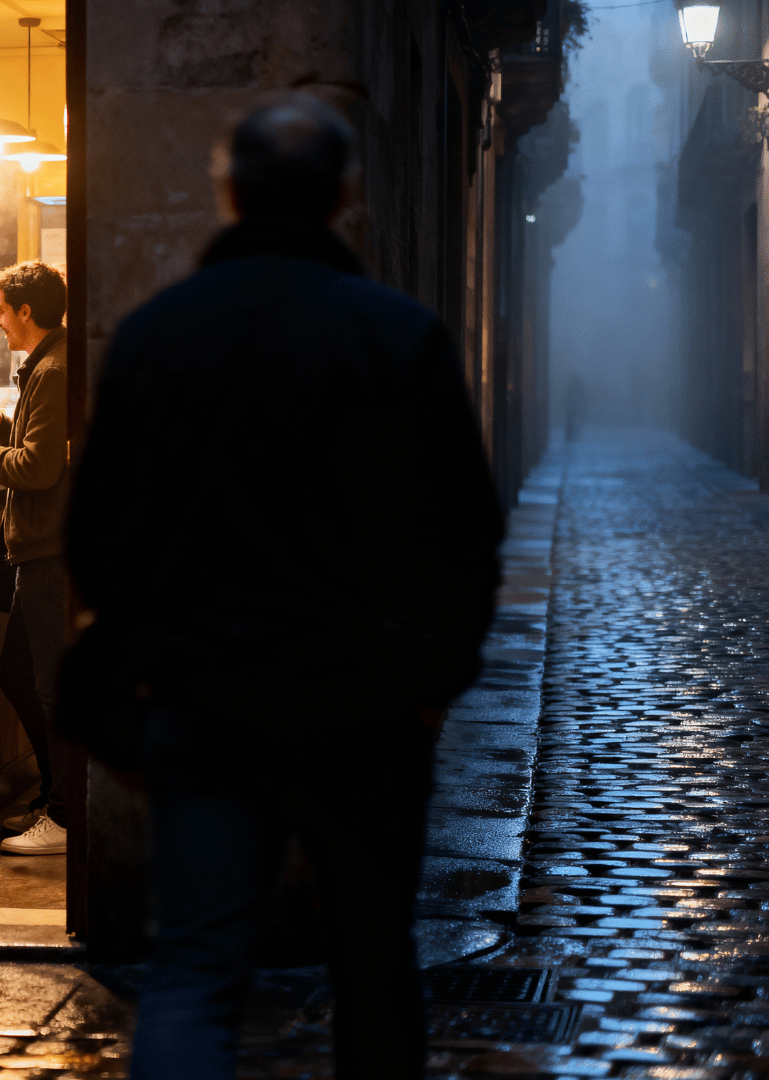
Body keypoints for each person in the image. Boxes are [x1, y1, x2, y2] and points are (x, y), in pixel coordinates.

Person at [63, 94, 504, 1077]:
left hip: (203, 701)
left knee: (194, 968)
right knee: (373, 967)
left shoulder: (153, 336)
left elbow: (96, 539)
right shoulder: (398, 337)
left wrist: (142, 670)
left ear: (225, 190)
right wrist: (428, 684)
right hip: (365, 712)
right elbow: (460, 537)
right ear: (344, 196)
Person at [0, 261, 72, 857]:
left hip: (51, 549)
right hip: (47, 546)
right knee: (21, 673)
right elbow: (37, 447)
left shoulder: (53, 369)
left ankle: (65, 813)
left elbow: (38, 469)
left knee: (47, 682)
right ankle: (56, 798)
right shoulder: (51, 362)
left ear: (25, 311)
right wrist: (1, 427)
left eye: (1, 308)